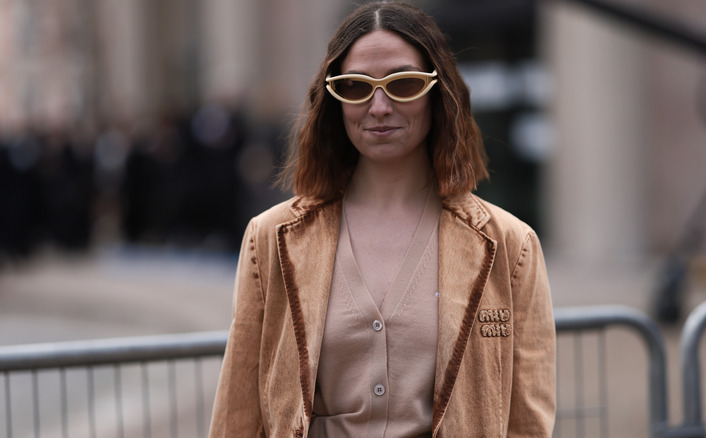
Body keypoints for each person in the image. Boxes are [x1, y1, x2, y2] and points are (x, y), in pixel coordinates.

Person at [209, 2, 555, 437]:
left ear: (438, 91)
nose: (379, 106)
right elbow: (237, 417)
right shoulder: (271, 238)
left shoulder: (510, 245)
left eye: (403, 84)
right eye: (355, 87)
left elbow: (528, 424)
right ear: (333, 99)